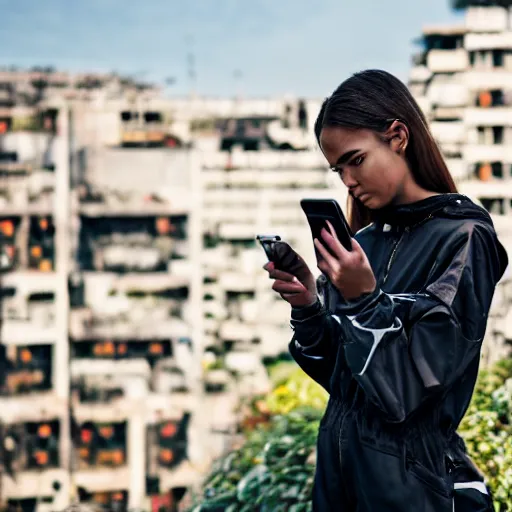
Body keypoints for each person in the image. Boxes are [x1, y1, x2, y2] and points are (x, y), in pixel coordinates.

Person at [263, 69, 509, 512]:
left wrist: (365, 300)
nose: (347, 182)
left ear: (397, 136)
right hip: (340, 483)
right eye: (338, 169)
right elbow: (345, 380)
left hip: (414, 490)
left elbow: (406, 395)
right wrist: (308, 307)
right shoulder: (366, 244)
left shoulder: (465, 239)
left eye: (356, 160)